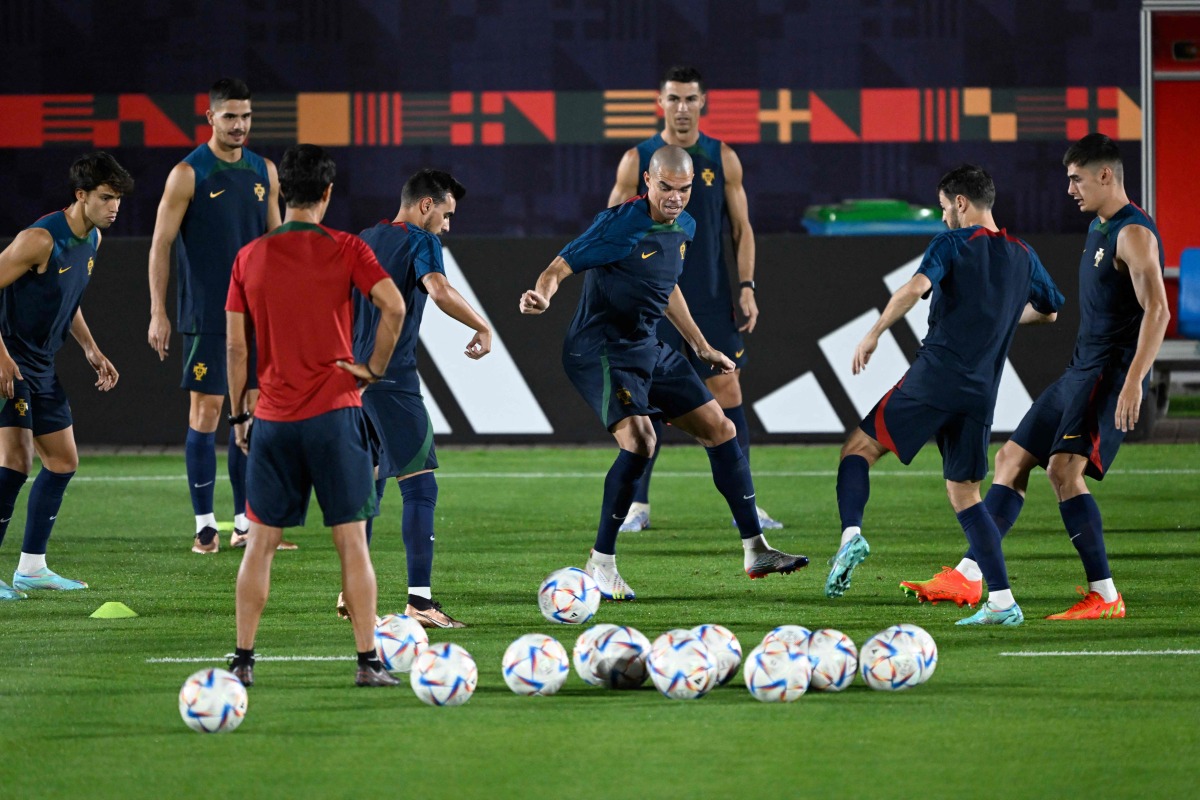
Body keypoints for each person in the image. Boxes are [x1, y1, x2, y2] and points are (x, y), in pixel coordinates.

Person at [520, 144, 807, 600]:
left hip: (648, 347)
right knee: (641, 440)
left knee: (721, 428)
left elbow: (666, 286)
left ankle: (756, 549)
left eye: (685, 188)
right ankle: (602, 563)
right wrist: (542, 295)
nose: (675, 196)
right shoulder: (618, 224)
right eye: (666, 187)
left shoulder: (684, 226)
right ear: (648, 182)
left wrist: (701, 345)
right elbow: (558, 266)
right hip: (601, 350)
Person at [900, 134, 1169, 621]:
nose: (1070, 189)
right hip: (1079, 370)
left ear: (1105, 175)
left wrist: (1133, 382)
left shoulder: (1133, 234)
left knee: (1064, 471)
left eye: (1076, 178)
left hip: (1108, 375)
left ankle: (1105, 596)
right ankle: (969, 575)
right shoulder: (1100, 228)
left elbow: (1158, 311)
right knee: (1011, 458)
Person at [823, 164, 1064, 627]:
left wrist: (874, 333)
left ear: (960, 203)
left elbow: (916, 288)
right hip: (980, 393)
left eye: (942, 209)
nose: (942, 219)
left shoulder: (952, 243)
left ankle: (851, 533)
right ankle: (1001, 602)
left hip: (935, 378)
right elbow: (1051, 311)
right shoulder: (1023, 254)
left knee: (858, 448)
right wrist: (1001, 318)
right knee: (966, 495)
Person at [224, 144, 406, 687]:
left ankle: (243, 659)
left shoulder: (248, 257)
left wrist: (238, 418)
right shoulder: (347, 247)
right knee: (351, 541)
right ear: (327, 193)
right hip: (334, 415)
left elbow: (236, 349)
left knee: (260, 543)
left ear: (282, 194)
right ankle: (368, 662)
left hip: (274, 422)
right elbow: (392, 305)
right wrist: (372, 368)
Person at [607, 65, 782, 534]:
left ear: (703, 103)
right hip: (653, 301)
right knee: (644, 399)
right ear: (659, 104)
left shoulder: (722, 158)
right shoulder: (636, 159)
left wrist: (747, 286)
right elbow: (609, 228)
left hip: (708, 296)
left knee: (728, 392)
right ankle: (638, 505)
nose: (682, 108)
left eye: (690, 99)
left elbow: (743, 230)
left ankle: (744, 503)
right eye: (674, 99)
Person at [147, 77, 288, 555]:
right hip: (207, 315)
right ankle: (204, 524)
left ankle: (245, 522)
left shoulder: (264, 172)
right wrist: (158, 311)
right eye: (230, 117)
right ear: (209, 117)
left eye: (246, 116)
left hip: (256, 317)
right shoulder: (188, 174)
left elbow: (278, 245)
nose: (239, 125)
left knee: (249, 416)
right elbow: (161, 244)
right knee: (207, 412)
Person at [346, 168, 490, 629]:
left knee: (370, 482)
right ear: (426, 205)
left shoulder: (365, 237)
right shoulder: (419, 239)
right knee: (420, 483)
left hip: (351, 377)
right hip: (392, 377)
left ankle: (355, 588)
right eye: (446, 215)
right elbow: (439, 290)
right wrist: (482, 327)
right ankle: (420, 602)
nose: (447, 226)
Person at [0, 152, 133, 601]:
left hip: (41, 364)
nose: (115, 207)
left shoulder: (92, 239)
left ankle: (32, 569)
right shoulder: (39, 239)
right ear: (81, 196)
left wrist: (91, 349)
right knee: (16, 462)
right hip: (8, 361)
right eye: (106, 198)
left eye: (118, 199)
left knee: (62, 462)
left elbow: (67, 298)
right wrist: (0, 356)